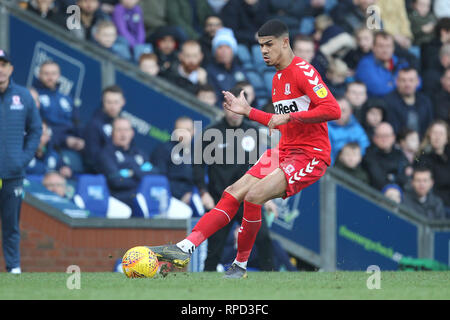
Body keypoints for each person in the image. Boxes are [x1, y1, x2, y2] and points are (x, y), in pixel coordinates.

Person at [147, 19, 341, 278]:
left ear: (285, 42)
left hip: (310, 156)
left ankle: (239, 265)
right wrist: (247, 111)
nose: (263, 51)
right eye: (260, 45)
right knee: (232, 192)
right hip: (284, 152)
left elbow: (333, 110)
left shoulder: (303, 71)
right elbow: (276, 120)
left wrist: (290, 118)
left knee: (254, 196)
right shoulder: (277, 79)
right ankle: (184, 248)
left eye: (269, 45)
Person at [192, 85, 275, 272]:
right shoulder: (210, 133)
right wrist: (203, 192)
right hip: (222, 198)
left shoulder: (252, 132)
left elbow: (259, 167)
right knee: (215, 247)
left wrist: (267, 195)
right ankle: (205, 282)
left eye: (240, 105)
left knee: (263, 238)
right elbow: (198, 165)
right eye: (232, 106)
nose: (236, 111)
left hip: (247, 198)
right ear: (224, 106)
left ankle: (271, 278)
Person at [0, 49, 42, 274]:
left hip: (13, 174)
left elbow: (36, 130)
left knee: (11, 226)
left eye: (4, 64)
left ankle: (14, 269)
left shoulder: (23, 96)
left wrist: (22, 159)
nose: (0, 69)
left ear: (10, 69)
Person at [97, 117, 157, 208]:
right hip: (118, 199)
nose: (123, 134)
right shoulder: (106, 154)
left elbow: (155, 173)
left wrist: (132, 172)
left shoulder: (138, 153)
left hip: (141, 194)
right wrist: (141, 175)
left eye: (126, 130)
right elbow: (117, 181)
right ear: (112, 133)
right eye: (119, 130)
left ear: (132, 133)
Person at [35, 61, 85, 155]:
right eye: (46, 73)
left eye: (53, 73)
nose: (50, 77)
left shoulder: (67, 98)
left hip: (72, 143)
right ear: (39, 75)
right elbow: (37, 126)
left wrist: (81, 139)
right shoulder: (35, 96)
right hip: (49, 144)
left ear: (59, 75)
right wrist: (65, 139)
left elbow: (77, 122)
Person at [150, 117, 196, 205]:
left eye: (188, 130)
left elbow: (201, 179)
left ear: (193, 131)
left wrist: (192, 193)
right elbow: (160, 180)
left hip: (192, 196)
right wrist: (182, 196)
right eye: (181, 130)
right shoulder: (163, 150)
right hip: (169, 198)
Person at [82, 85, 126, 172]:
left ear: (123, 102)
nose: (112, 106)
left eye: (116, 102)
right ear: (103, 102)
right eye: (109, 102)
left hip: (124, 169)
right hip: (105, 173)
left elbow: (130, 151)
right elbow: (93, 158)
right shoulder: (94, 125)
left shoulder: (124, 124)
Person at [355, 31, 410, 97]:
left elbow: (417, 83)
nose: (385, 50)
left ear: (393, 48)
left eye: (388, 46)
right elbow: (379, 89)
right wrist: (402, 85)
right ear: (373, 47)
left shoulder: (400, 62)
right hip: (378, 103)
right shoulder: (365, 65)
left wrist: (391, 84)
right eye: (381, 46)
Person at [384, 67, 433, 138]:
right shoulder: (388, 102)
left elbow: (429, 126)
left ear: (418, 82)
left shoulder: (425, 101)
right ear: (396, 82)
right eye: (403, 80)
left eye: (411, 80)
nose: (407, 84)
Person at [362, 122, 409, 190]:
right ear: (374, 138)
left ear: (393, 137)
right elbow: (378, 180)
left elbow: (405, 176)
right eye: (380, 136)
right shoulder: (369, 155)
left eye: (387, 136)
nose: (384, 139)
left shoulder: (399, 153)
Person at [206, 27, 247, 105]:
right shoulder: (210, 71)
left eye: (227, 47)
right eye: (220, 47)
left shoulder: (240, 69)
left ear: (233, 51)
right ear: (215, 52)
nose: (224, 51)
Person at [416, 120, 450, 211]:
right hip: (435, 205)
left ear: (447, 138)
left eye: (441, 134)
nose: (437, 137)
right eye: (435, 133)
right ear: (429, 135)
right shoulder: (422, 157)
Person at [327, 96, 370, 164]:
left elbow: (365, 149)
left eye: (343, 110)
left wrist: (351, 157)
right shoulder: (324, 127)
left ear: (350, 112)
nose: (339, 114)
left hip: (353, 167)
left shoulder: (357, 129)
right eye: (336, 109)